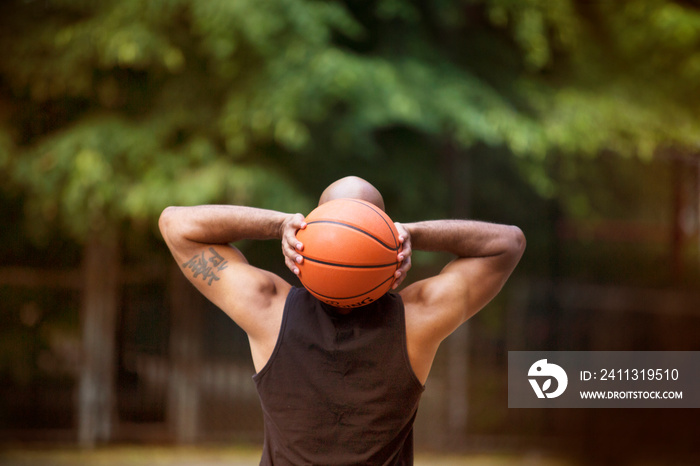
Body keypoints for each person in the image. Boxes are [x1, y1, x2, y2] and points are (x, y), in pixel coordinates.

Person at [159, 176, 525, 465]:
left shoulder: (267, 307)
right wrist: (408, 233)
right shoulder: (418, 319)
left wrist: (282, 224)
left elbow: (176, 224)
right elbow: (508, 243)